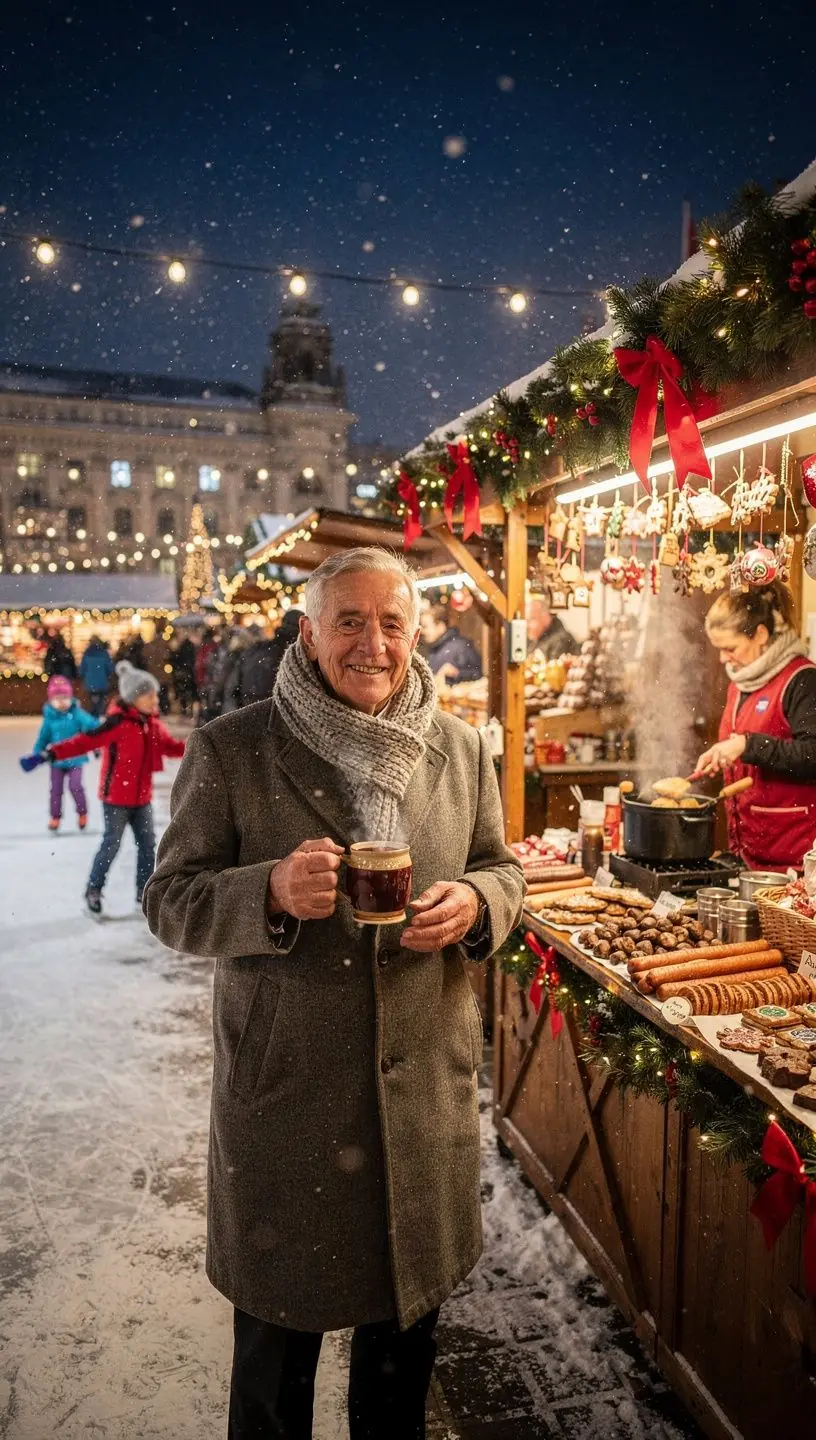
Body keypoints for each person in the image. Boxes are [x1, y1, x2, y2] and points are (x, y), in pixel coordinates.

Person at [143, 548, 524, 1440]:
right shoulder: (236, 748)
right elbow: (169, 900)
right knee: (273, 1387)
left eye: (392, 623)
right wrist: (267, 891)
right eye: (349, 621)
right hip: (290, 1110)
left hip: (419, 1105)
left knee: (397, 1386)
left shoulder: (459, 747)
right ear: (308, 633)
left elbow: (502, 868)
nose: (373, 644)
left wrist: (478, 903)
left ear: (417, 634)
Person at [44, 660, 186, 915]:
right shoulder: (117, 723)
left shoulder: (153, 725)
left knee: (148, 846)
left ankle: (144, 893)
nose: (155, 699)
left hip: (142, 799)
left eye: (155, 694)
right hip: (116, 798)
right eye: (149, 695)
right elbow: (85, 742)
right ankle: (93, 889)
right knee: (111, 845)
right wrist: (55, 752)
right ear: (134, 698)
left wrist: (199, 745)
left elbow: (172, 747)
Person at [696, 581, 816, 871]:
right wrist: (726, 756)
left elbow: (812, 756)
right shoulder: (741, 681)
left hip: (794, 860)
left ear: (760, 634)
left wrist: (747, 745)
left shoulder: (803, 680)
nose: (723, 659)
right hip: (749, 854)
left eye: (730, 648)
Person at [30, 676, 100, 831]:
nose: (61, 702)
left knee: (76, 786)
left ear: (70, 698)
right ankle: (55, 817)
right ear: (51, 700)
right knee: (55, 790)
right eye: (57, 699)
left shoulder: (77, 714)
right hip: (57, 761)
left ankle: (82, 813)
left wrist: (96, 741)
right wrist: (36, 755)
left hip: (76, 759)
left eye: (65, 698)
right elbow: (43, 738)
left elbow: (92, 726)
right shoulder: (50, 718)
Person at [237, 609, 304, 706]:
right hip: (271, 708)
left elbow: (236, 686)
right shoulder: (295, 654)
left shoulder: (260, 650)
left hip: (250, 706)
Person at [418, 603, 482, 685]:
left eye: (425, 626)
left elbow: (478, 674)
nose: (422, 631)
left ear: (440, 626)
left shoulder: (462, 647)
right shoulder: (431, 650)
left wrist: (457, 674)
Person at [526, 595, 580, 661]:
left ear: (544, 617)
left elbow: (552, 666)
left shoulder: (561, 640)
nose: (527, 625)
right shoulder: (536, 640)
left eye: (531, 619)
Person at [79, 635, 115, 717]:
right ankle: (100, 716)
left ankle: (92, 716)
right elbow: (110, 669)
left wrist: (85, 677)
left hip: (90, 684)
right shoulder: (104, 653)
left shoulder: (87, 653)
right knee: (101, 703)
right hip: (102, 683)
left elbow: (82, 670)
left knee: (90, 703)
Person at [142, 626, 173, 714]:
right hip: (162, 675)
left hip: (154, 675)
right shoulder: (164, 646)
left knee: (157, 693)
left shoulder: (149, 646)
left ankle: (160, 709)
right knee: (163, 693)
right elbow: (168, 658)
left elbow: (145, 659)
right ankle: (165, 709)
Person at [171, 632, 198, 715]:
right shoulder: (192, 647)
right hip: (190, 672)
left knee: (183, 692)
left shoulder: (181, 647)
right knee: (190, 693)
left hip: (184, 672)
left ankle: (184, 709)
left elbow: (177, 659)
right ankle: (189, 710)